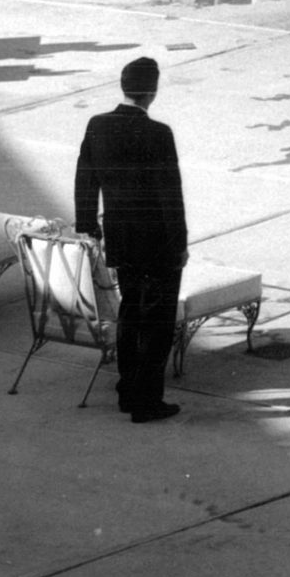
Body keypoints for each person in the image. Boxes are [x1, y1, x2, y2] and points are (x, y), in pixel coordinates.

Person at [74, 56, 189, 423]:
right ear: (152, 92)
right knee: (157, 323)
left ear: (124, 87)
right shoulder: (159, 133)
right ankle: (147, 401)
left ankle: (127, 390)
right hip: (157, 243)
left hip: (121, 239)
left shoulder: (97, 126)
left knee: (130, 313)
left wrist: (88, 225)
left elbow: (85, 180)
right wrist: (180, 244)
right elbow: (171, 195)